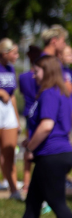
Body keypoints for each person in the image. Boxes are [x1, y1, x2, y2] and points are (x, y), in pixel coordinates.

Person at [0, 57, 72, 218]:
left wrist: (30, 147)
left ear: (46, 72)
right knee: (33, 204)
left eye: (36, 71)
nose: (33, 74)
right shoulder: (63, 93)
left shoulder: (48, 93)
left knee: (57, 203)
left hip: (52, 155)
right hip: (57, 153)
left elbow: (47, 125)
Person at [0, 39, 22, 201]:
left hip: (7, 111)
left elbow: (12, 95)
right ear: (4, 53)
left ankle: (13, 190)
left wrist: (16, 118)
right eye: (14, 53)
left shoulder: (10, 69)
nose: (17, 56)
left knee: (9, 151)